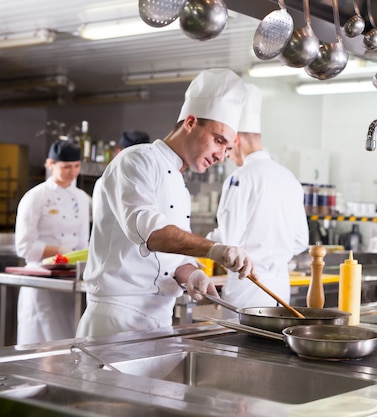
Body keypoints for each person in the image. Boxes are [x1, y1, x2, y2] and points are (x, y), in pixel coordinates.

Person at [76, 68, 257, 338]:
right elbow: (151, 233)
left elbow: (167, 259)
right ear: (190, 122)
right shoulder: (136, 160)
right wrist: (214, 250)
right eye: (218, 141)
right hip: (117, 321)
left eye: (227, 148)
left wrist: (190, 273)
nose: (220, 155)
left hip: (159, 319)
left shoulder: (179, 184)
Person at [207, 84, 309, 316]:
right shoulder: (289, 177)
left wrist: (196, 244)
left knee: (240, 349)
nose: (226, 155)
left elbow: (229, 241)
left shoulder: (240, 177)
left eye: (228, 148)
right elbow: (301, 240)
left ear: (238, 141)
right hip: (281, 290)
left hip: (247, 289)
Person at [14, 140, 90, 344]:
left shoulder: (82, 198)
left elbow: (84, 241)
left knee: (67, 346)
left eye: (76, 166)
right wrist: (63, 252)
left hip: (69, 283)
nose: (72, 172)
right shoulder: (35, 197)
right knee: (39, 348)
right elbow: (24, 246)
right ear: (50, 164)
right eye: (66, 167)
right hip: (41, 282)